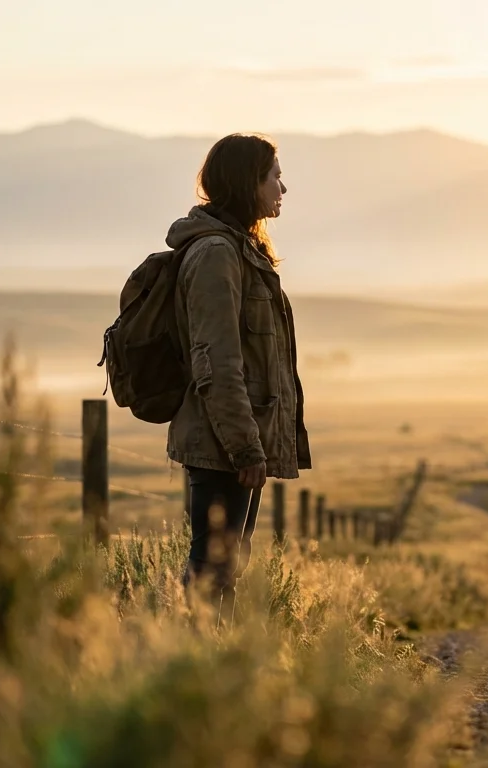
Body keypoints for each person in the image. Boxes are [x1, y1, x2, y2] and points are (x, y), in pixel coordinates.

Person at [164, 133, 311, 605]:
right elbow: (217, 363)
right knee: (212, 573)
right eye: (275, 178)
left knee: (226, 569)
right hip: (222, 448)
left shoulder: (240, 249)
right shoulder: (217, 255)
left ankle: (211, 668)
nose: (282, 189)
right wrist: (247, 449)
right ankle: (193, 670)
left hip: (231, 445)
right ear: (249, 182)